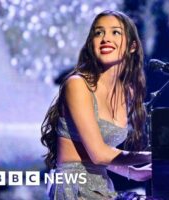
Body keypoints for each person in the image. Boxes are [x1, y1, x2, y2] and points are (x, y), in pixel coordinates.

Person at [41, 10, 152, 199]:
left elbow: (93, 149)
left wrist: (133, 172)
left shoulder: (127, 92)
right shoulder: (77, 85)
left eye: (115, 32)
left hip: (101, 187)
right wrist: (153, 156)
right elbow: (99, 154)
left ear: (132, 46)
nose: (105, 38)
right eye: (98, 33)